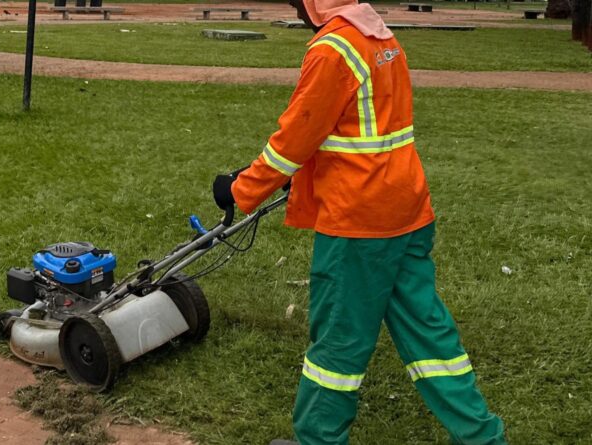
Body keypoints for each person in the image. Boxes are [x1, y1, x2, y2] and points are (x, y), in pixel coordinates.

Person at [211, 0, 507, 443]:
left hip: (360, 223)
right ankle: (483, 437)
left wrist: (241, 188)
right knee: (430, 338)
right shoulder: (381, 37)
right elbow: (360, 129)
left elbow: (297, 136)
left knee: (337, 344)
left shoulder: (334, 49)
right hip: (406, 207)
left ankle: (318, 439)